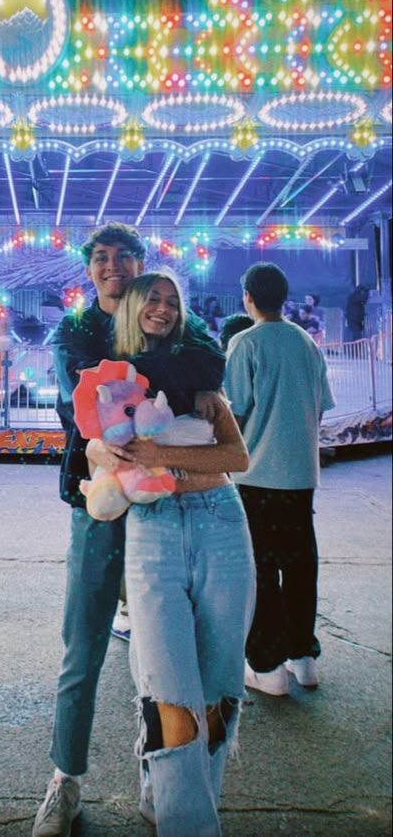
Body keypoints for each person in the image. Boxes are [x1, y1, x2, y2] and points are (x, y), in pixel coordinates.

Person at [32, 224, 226, 837]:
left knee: (165, 650)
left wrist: (132, 382)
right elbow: (83, 404)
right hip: (102, 501)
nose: (112, 266)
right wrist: (167, 385)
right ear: (90, 268)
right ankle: (64, 780)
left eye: (124, 257)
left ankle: (160, 775)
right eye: (101, 258)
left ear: (142, 264)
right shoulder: (76, 330)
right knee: (84, 640)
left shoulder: (173, 319)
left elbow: (212, 360)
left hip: (172, 503)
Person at [94, 270, 253, 836]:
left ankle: (173, 799)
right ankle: (191, 825)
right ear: (132, 307)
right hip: (154, 531)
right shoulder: (110, 381)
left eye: (172, 302)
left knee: (218, 689)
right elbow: (102, 461)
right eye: (152, 300)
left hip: (221, 527)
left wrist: (160, 455)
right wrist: (107, 456)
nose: (163, 309)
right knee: (170, 691)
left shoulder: (202, 379)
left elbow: (237, 457)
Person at [225, 262, 335, 696]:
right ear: (284, 297)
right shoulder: (307, 343)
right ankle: (303, 656)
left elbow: (234, 413)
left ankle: (267, 666)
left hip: (257, 474)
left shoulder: (245, 343)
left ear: (247, 297)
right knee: (301, 563)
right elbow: (320, 406)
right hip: (301, 473)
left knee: (262, 569)